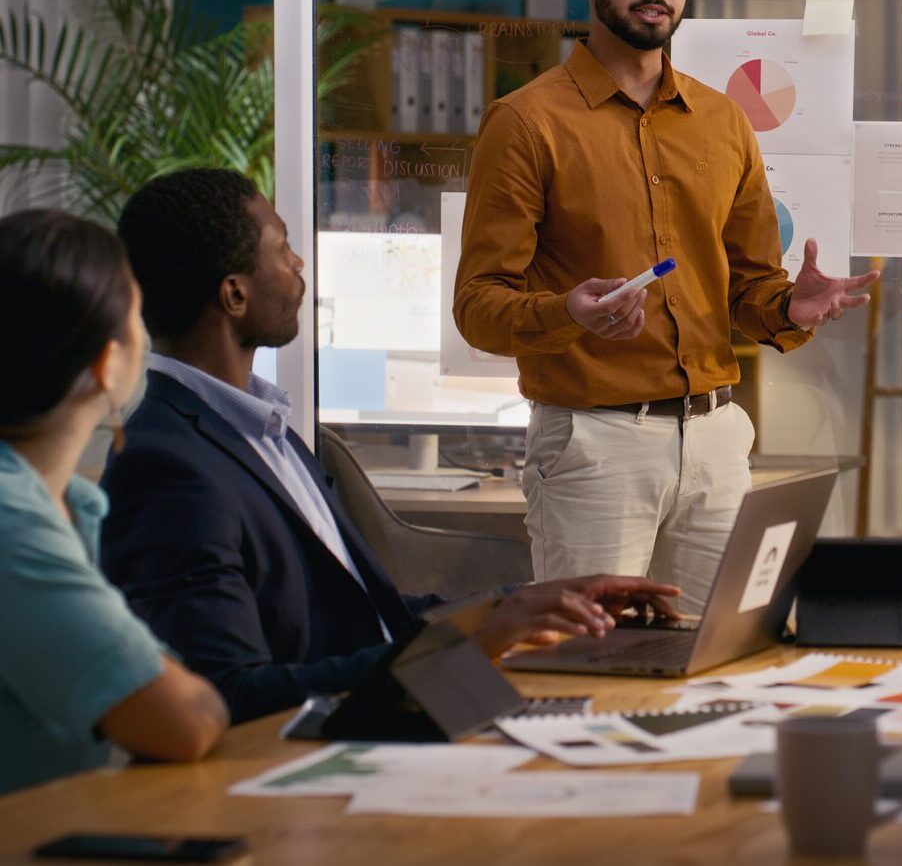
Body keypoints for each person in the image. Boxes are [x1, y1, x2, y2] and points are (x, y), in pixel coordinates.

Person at [101, 168, 679, 725]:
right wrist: (476, 639)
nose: (299, 263)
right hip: (333, 752)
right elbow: (234, 696)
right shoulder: (168, 467)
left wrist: (525, 605)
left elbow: (375, 617)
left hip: (409, 712)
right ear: (234, 295)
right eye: (281, 248)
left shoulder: (264, 432)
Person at [453, 0, 878, 610]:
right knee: (586, 665)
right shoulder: (525, 123)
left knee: (715, 656)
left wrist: (791, 308)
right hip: (593, 445)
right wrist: (567, 314)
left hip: (715, 442)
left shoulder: (721, 121)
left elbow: (747, 293)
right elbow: (478, 306)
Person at [0, 210, 228, 794]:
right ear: (106, 366)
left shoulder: (68, 501)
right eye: (136, 318)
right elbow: (181, 719)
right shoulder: (8, 517)